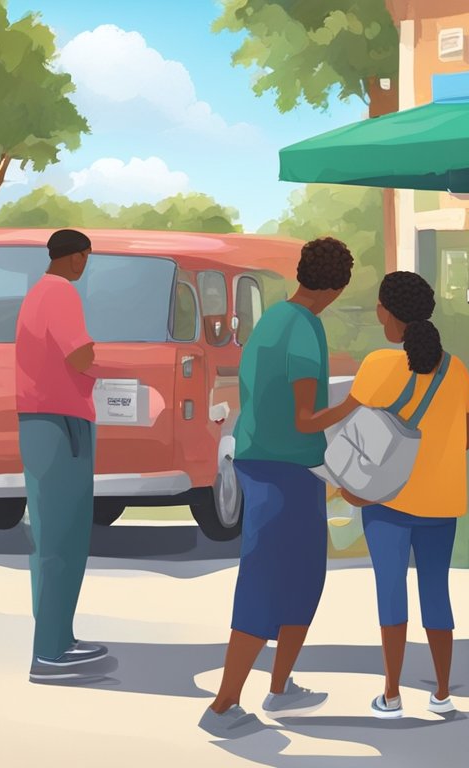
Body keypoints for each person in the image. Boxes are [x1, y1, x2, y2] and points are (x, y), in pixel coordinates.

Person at [200, 238, 359, 738]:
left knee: (304, 577)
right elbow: (307, 418)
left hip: (268, 463)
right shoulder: (306, 330)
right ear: (337, 287)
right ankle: (224, 706)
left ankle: (281, 687)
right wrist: (358, 402)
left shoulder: (271, 319)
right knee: (268, 582)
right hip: (284, 470)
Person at [337, 272, 469, 719]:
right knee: (437, 592)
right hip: (442, 504)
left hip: (387, 503)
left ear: (387, 312)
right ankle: (441, 692)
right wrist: (433, 459)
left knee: (390, 590)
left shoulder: (378, 365)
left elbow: (346, 426)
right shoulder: (454, 367)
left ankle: (392, 694)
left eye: (379, 305)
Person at [16, 229, 112, 683]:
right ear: (78, 258)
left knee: (52, 538)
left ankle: (58, 638)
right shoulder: (61, 294)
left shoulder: (38, 293)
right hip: (60, 423)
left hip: (42, 422)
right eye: (87, 257)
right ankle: (50, 653)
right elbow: (80, 356)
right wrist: (109, 367)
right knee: (64, 538)